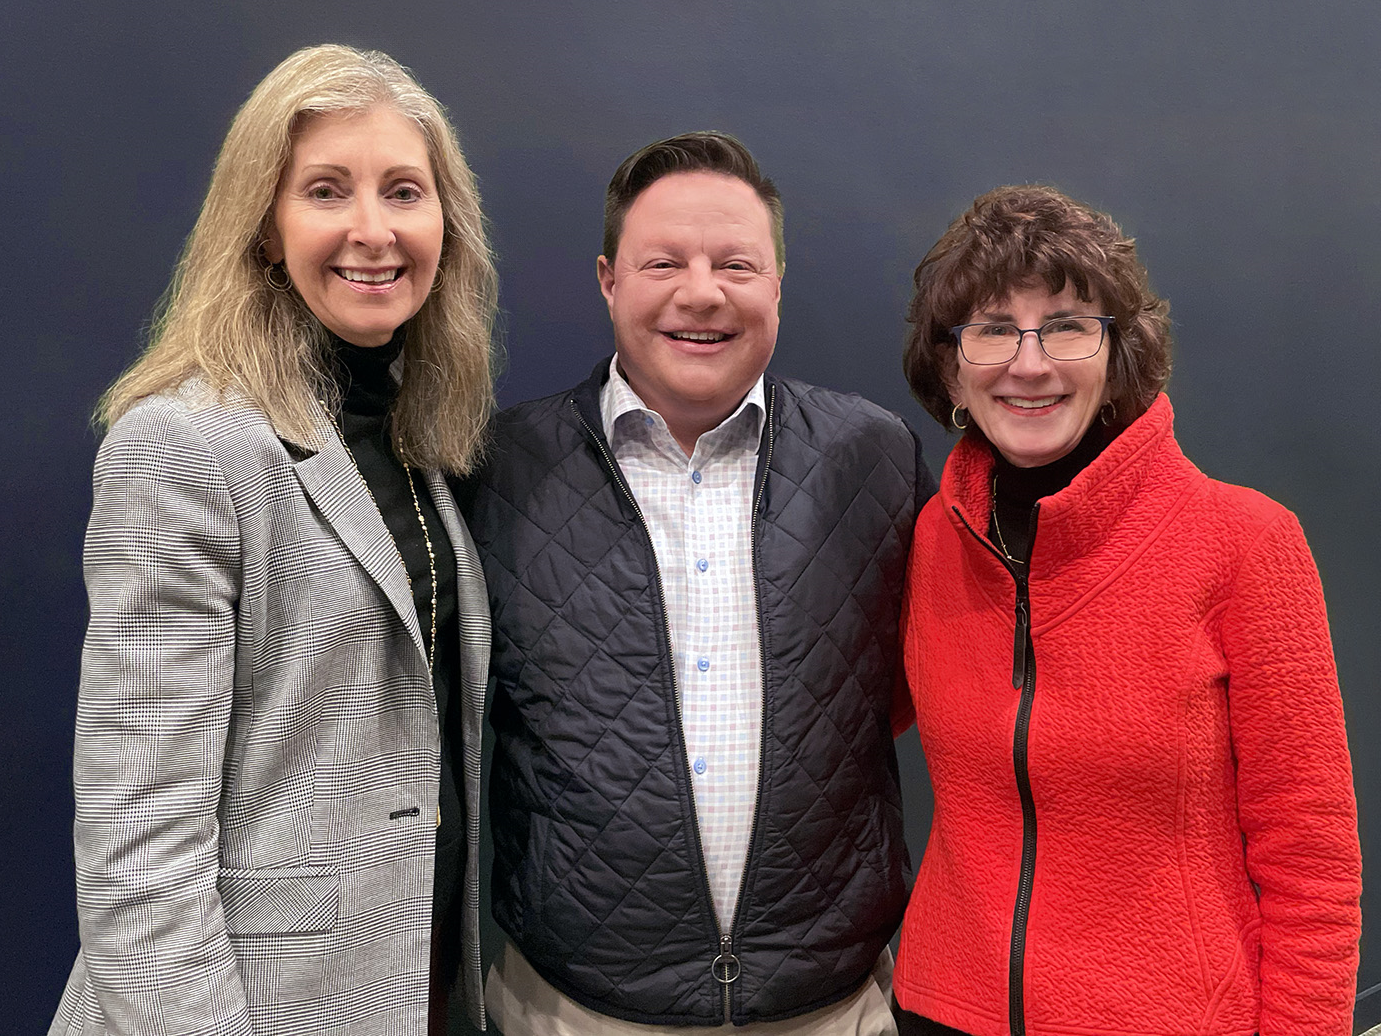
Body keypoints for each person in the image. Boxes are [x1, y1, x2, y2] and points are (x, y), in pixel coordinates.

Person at [49, 44, 497, 1036]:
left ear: (446, 222)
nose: (373, 231)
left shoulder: (423, 444)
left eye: (405, 192)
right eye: (326, 191)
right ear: (262, 225)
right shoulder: (182, 442)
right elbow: (138, 848)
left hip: (412, 991)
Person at [457, 131, 935, 1035]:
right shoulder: (498, 469)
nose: (701, 292)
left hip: (828, 1010)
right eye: (663, 261)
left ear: (778, 288)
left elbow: (938, 689)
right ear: (608, 281)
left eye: (736, 264)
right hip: (570, 1010)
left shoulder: (872, 458)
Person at [893, 184, 1361, 1036]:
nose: (1027, 364)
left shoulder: (1244, 543)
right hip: (941, 1009)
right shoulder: (930, 540)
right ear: (950, 364)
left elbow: (1311, 866)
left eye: (1067, 325)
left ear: (1117, 353)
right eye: (992, 328)